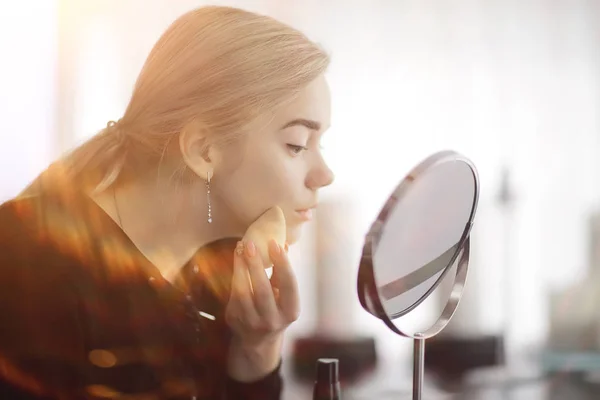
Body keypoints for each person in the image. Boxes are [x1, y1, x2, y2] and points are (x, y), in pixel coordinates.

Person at [0, 5, 334, 400]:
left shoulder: (217, 287)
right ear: (204, 150)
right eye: (297, 145)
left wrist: (257, 350)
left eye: (320, 144)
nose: (325, 175)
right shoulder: (25, 265)